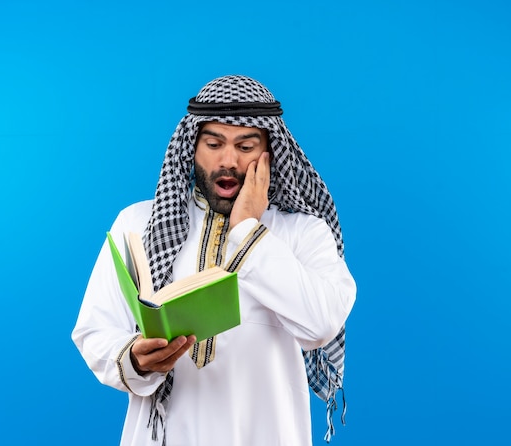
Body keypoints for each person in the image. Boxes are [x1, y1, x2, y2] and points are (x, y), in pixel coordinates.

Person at [72, 74, 356, 446]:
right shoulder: (139, 224)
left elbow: (321, 324)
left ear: (269, 153)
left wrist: (248, 232)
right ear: (192, 148)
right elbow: (95, 331)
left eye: (245, 145)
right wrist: (135, 360)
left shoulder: (303, 233)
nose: (228, 160)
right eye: (213, 143)